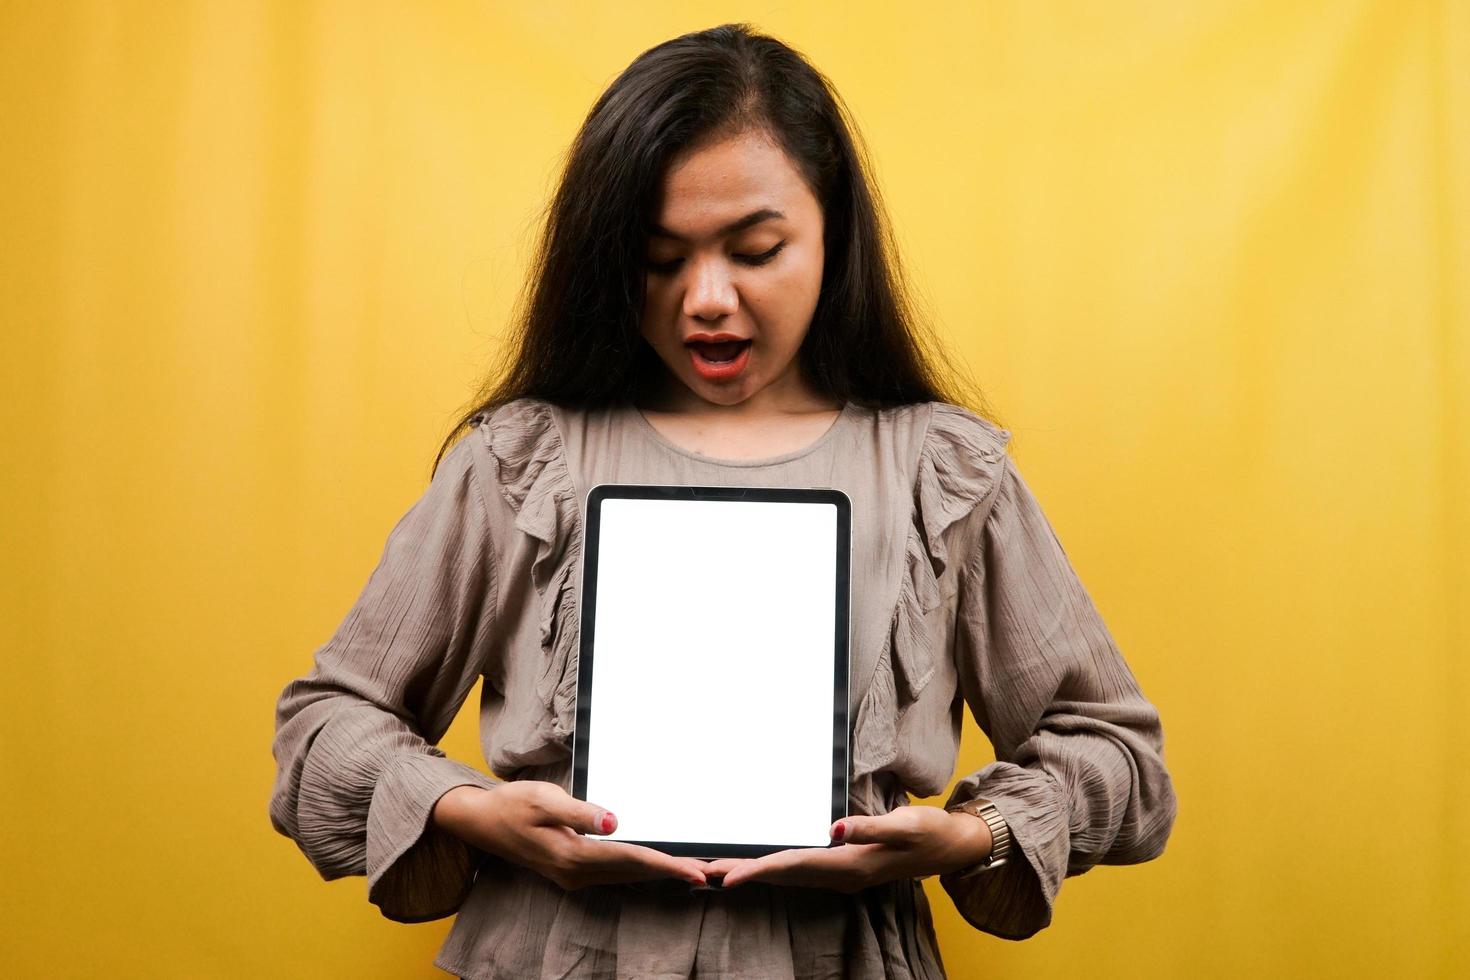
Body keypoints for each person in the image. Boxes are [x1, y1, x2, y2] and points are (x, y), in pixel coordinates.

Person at [268, 22, 1178, 980]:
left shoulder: (941, 473)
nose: (705, 298)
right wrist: (473, 812)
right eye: (660, 259)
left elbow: (1121, 756)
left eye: (755, 249)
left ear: (832, 231)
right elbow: (324, 726)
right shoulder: (522, 461)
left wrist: (967, 836)